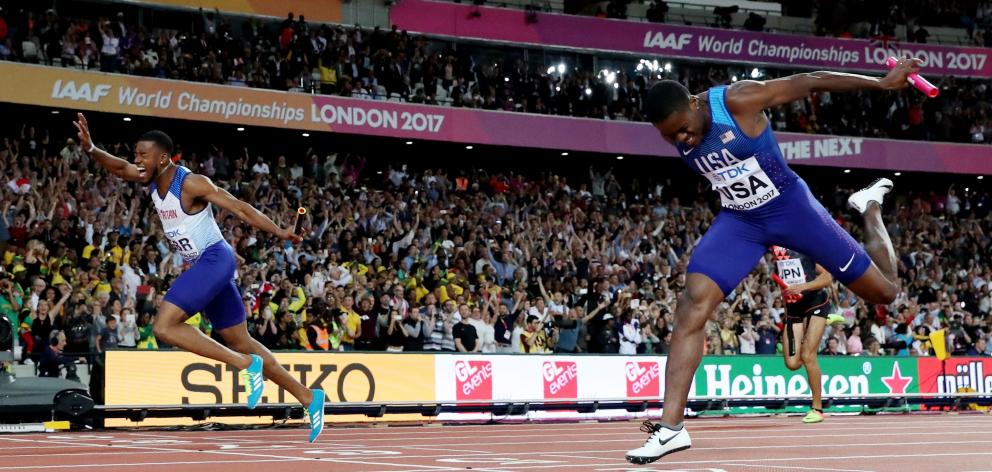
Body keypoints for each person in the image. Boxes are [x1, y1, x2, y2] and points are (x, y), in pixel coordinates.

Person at [625, 59, 920, 464]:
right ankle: (671, 428)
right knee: (691, 304)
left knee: (885, 292)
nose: (682, 138)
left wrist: (880, 84)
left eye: (683, 128)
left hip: (791, 209)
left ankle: (868, 207)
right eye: (670, 137)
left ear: (694, 103)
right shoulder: (680, 129)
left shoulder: (740, 100)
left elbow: (811, 81)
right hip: (741, 220)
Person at [72, 113, 325, 443]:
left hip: (216, 259)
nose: (136, 161)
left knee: (164, 326)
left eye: (142, 155)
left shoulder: (190, 183)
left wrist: (280, 231)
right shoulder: (150, 177)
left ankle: (244, 365)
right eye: (135, 154)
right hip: (204, 265)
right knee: (241, 339)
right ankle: (308, 396)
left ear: (162, 158)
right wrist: (91, 148)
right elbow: (119, 168)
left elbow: (241, 208)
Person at [771, 246, 840, 424]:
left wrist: (802, 287)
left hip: (816, 303)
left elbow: (826, 277)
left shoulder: (805, 247)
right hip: (794, 309)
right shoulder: (776, 253)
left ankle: (817, 409)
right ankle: (822, 323)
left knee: (809, 356)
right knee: (792, 363)